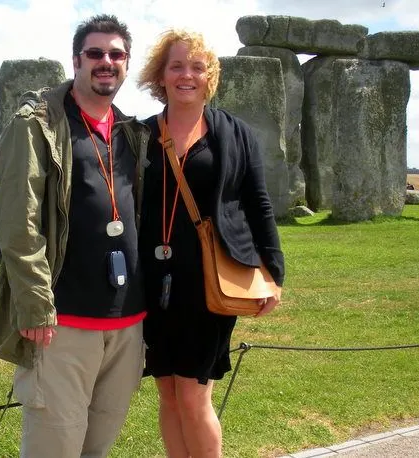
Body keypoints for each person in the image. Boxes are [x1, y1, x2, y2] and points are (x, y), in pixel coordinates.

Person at [0, 14, 149, 458]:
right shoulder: (36, 124)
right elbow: (19, 225)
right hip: (62, 322)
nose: (105, 62)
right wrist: (35, 304)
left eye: (116, 54)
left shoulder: (132, 132)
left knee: (96, 449)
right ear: (76, 59)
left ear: (127, 64)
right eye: (95, 53)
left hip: (126, 322)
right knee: (53, 448)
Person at [136, 29, 285, 457]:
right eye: (176, 66)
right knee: (166, 393)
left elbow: (258, 204)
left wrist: (273, 272)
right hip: (154, 280)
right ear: (160, 76)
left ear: (210, 76)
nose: (187, 75)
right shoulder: (140, 135)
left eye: (197, 67)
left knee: (194, 395)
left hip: (210, 279)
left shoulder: (235, 134)